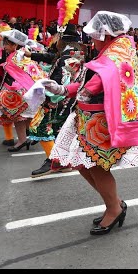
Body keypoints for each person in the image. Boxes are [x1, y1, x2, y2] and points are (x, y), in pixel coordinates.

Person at [44, 10, 138, 236]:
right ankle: (114, 203)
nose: (91, 40)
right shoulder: (108, 54)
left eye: (94, 35)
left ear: (105, 34)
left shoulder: (117, 55)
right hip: (86, 119)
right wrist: (62, 89)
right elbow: (87, 83)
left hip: (100, 122)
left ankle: (114, 208)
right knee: (83, 164)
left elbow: (98, 83)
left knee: (95, 166)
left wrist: (81, 90)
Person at [27, 22, 84, 177]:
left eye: (55, 37)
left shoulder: (67, 56)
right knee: (59, 131)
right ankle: (63, 162)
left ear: (62, 38)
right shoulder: (75, 52)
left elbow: (63, 80)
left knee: (39, 126)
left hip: (60, 100)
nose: (53, 40)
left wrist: (50, 97)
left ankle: (54, 161)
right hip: (70, 100)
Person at [0, 29, 47, 152]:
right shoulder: (20, 54)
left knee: (18, 117)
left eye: (6, 44)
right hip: (25, 91)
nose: (4, 47)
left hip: (19, 91)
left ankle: (22, 140)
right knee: (24, 117)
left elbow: (22, 72)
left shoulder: (20, 55)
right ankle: (26, 138)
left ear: (14, 45)